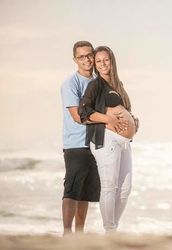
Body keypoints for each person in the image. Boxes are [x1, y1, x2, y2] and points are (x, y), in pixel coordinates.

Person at [78, 46, 138, 232]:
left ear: (112, 61)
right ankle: (109, 230)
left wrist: (133, 121)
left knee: (125, 188)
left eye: (106, 60)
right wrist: (108, 119)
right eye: (99, 61)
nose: (103, 64)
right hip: (105, 139)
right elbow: (83, 112)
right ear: (95, 65)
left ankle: (113, 228)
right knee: (110, 186)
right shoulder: (95, 85)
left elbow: (124, 110)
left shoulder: (118, 85)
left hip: (124, 142)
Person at [60, 41, 102, 235]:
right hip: (76, 145)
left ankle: (80, 235)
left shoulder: (99, 82)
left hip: (96, 145)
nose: (86, 59)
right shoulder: (71, 84)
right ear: (75, 60)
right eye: (81, 56)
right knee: (72, 190)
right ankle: (67, 234)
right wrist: (107, 121)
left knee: (85, 193)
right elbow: (77, 116)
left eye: (89, 55)